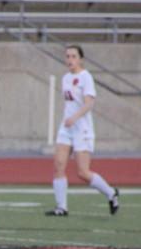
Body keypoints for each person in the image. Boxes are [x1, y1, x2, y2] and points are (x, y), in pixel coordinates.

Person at [46, 45, 119, 217]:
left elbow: (89, 103)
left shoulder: (86, 77)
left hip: (82, 129)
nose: (70, 59)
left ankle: (111, 193)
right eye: (67, 56)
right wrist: (68, 120)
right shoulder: (65, 78)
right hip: (66, 128)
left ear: (80, 59)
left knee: (83, 173)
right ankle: (61, 207)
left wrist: (75, 118)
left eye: (73, 56)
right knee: (58, 165)